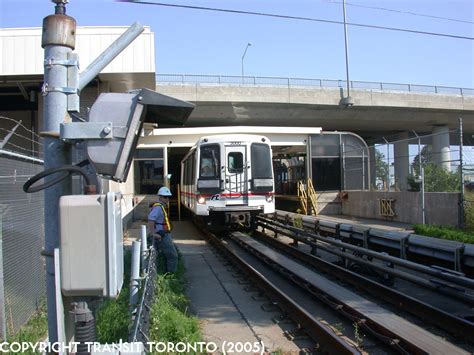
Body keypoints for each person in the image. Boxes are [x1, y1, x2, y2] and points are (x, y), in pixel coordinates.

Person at [147, 186, 178, 273]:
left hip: (163, 233)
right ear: (160, 197)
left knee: (165, 255)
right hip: (162, 235)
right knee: (173, 256)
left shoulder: (161, 206)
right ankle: (171, 275)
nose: (167, 199)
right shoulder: (158, 207)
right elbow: (151, 220)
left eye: (168, 197)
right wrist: (153, 233)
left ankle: (165, 273)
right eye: (165, 197)